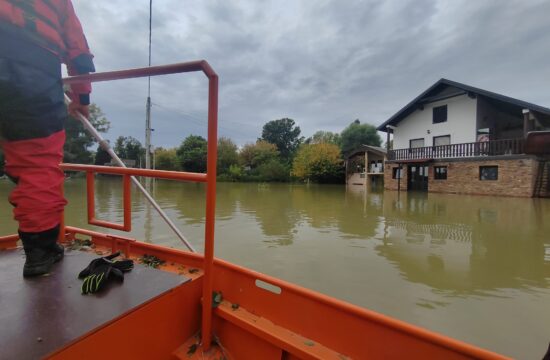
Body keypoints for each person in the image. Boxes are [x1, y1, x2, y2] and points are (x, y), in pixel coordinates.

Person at [0, 0, 95, 276]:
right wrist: (82, 97)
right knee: (37, 166)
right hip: (31, 75)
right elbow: (78, 52)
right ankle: (40, 254)